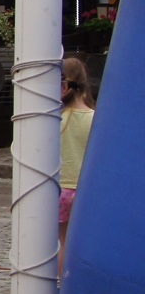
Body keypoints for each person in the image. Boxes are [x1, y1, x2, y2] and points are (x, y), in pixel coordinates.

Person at [58, 57, 96, 248]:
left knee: (62, 242)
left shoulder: (54, 120)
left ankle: (61, 278)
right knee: (82, 242)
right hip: (85, 191)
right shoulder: (95, 119)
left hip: (60, 188)